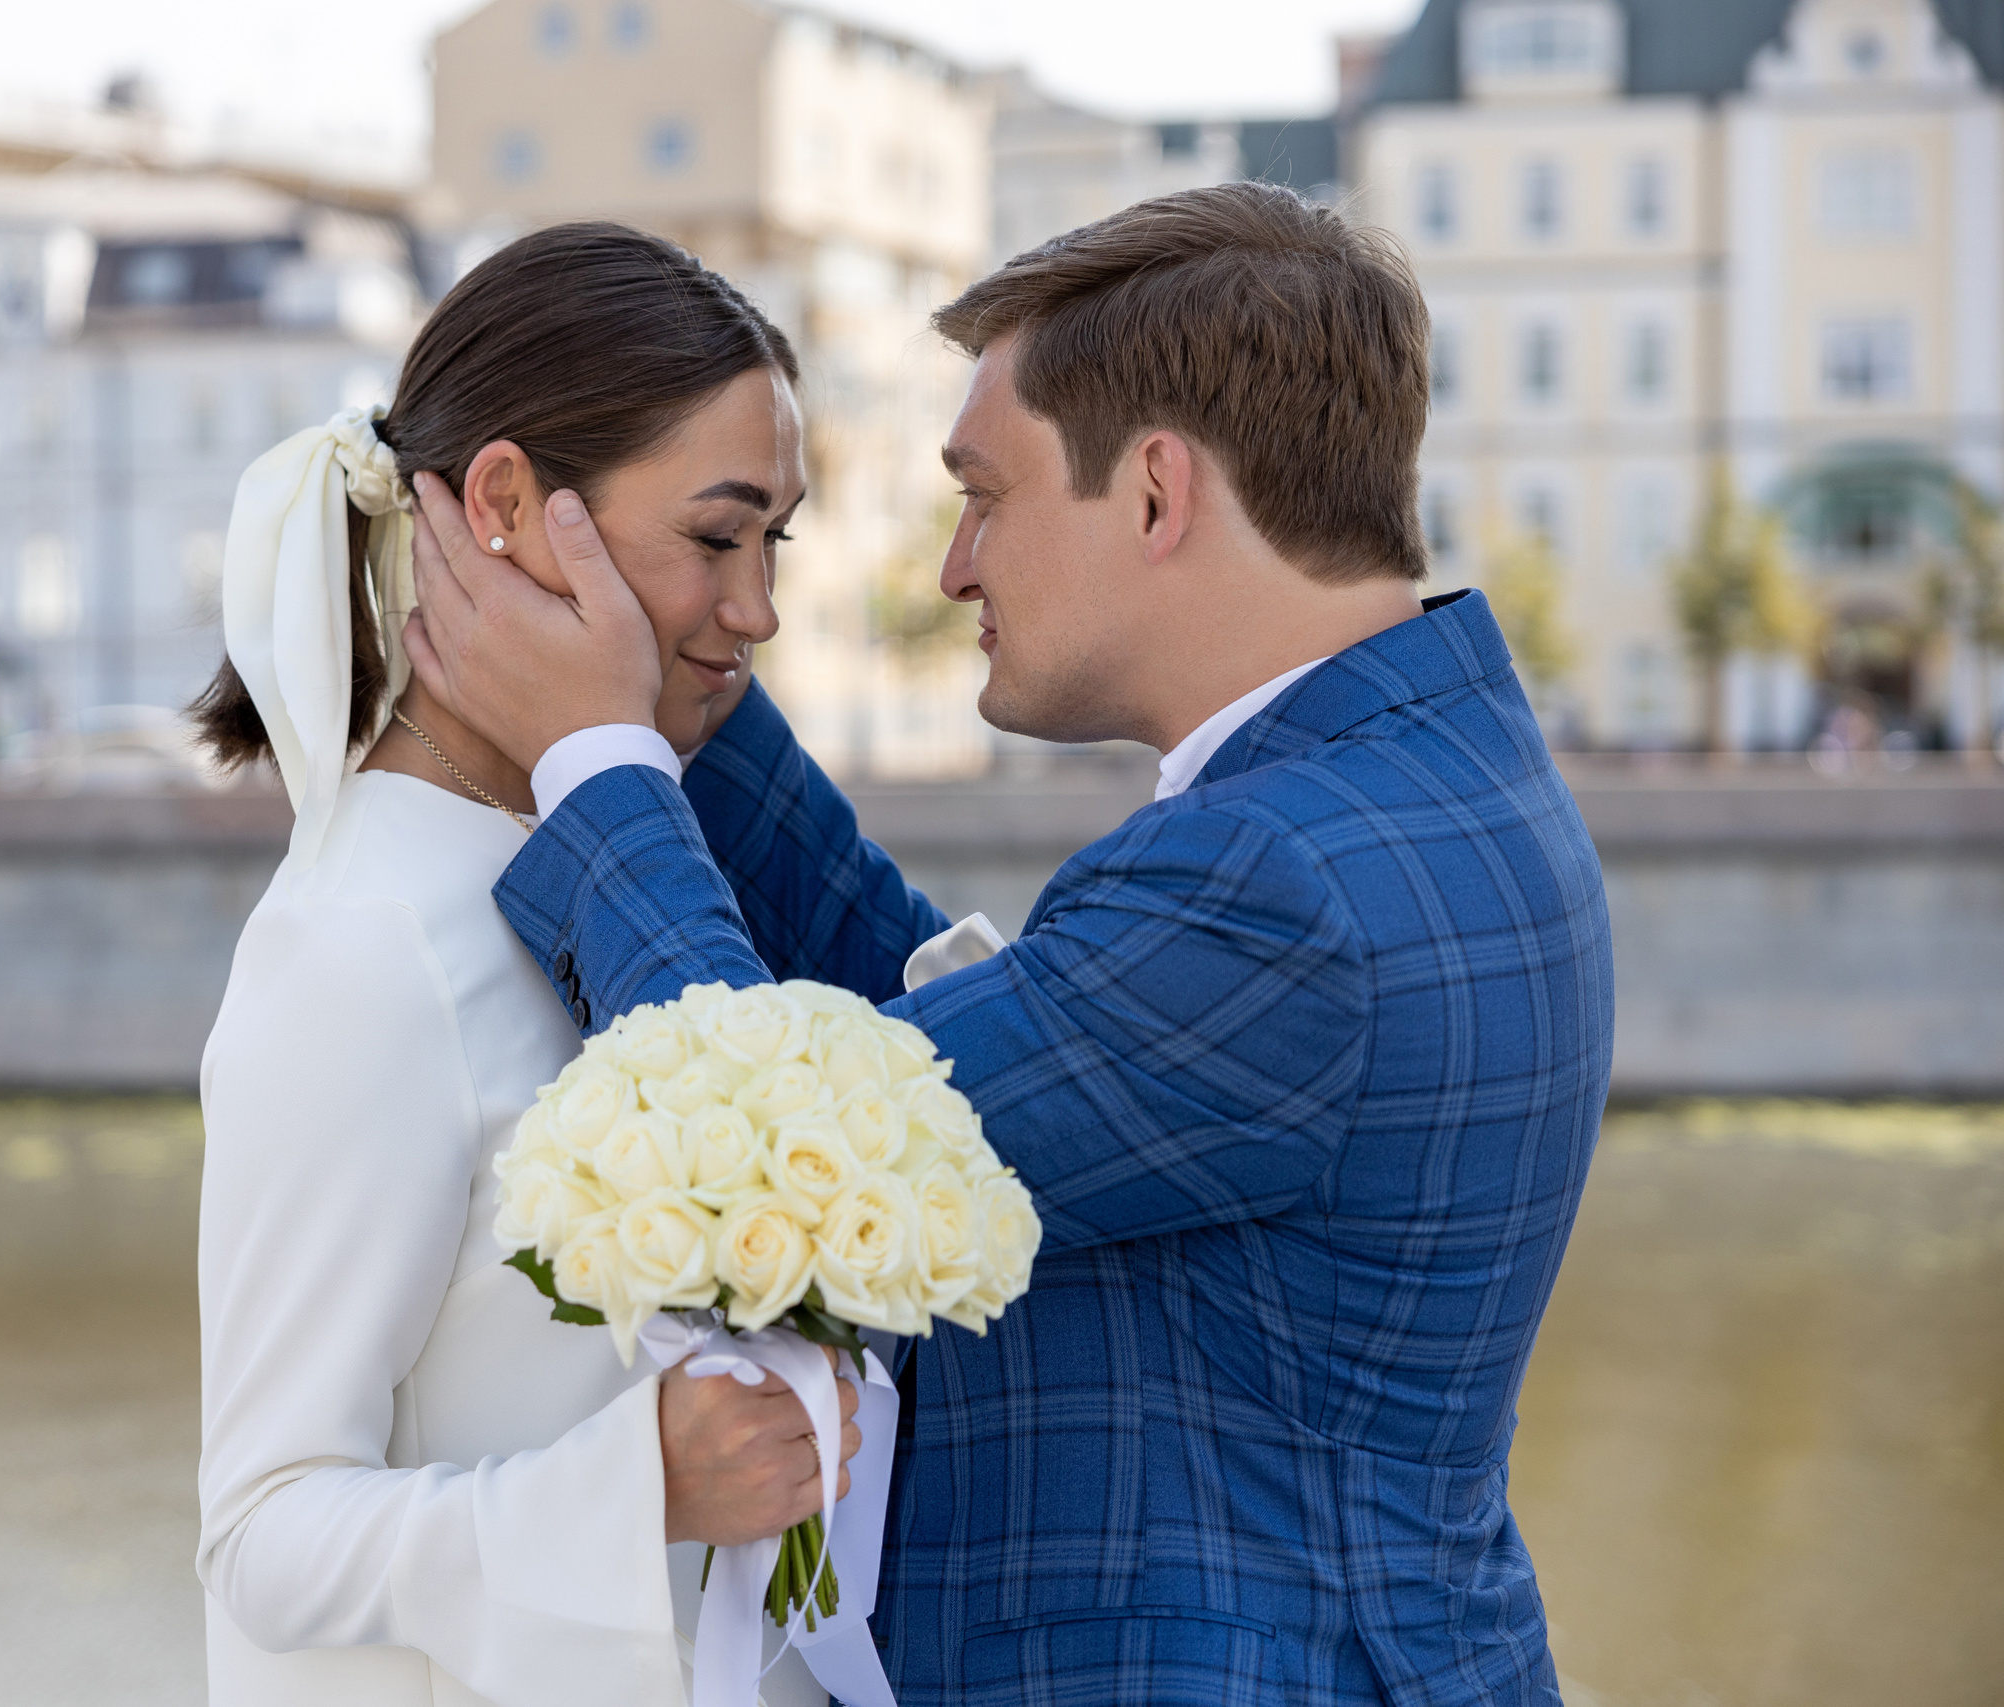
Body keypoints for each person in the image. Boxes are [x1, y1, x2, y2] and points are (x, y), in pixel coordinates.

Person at [402, 184, 1617, 1704]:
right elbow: (955, 1058)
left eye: (984, 494)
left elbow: (769, 1157)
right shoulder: (1421, 779)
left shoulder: (1276, 879)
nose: (956, 566)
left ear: (1158, 492)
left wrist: (596, 757)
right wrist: (667, 656)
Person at [191, 222, 861, 1707]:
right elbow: (260, 1532)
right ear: (502, 503)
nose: (756, 607)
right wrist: (639, 1491)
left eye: (776, 544)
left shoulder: (627, 862)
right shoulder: (359, 950)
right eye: (714, 536)